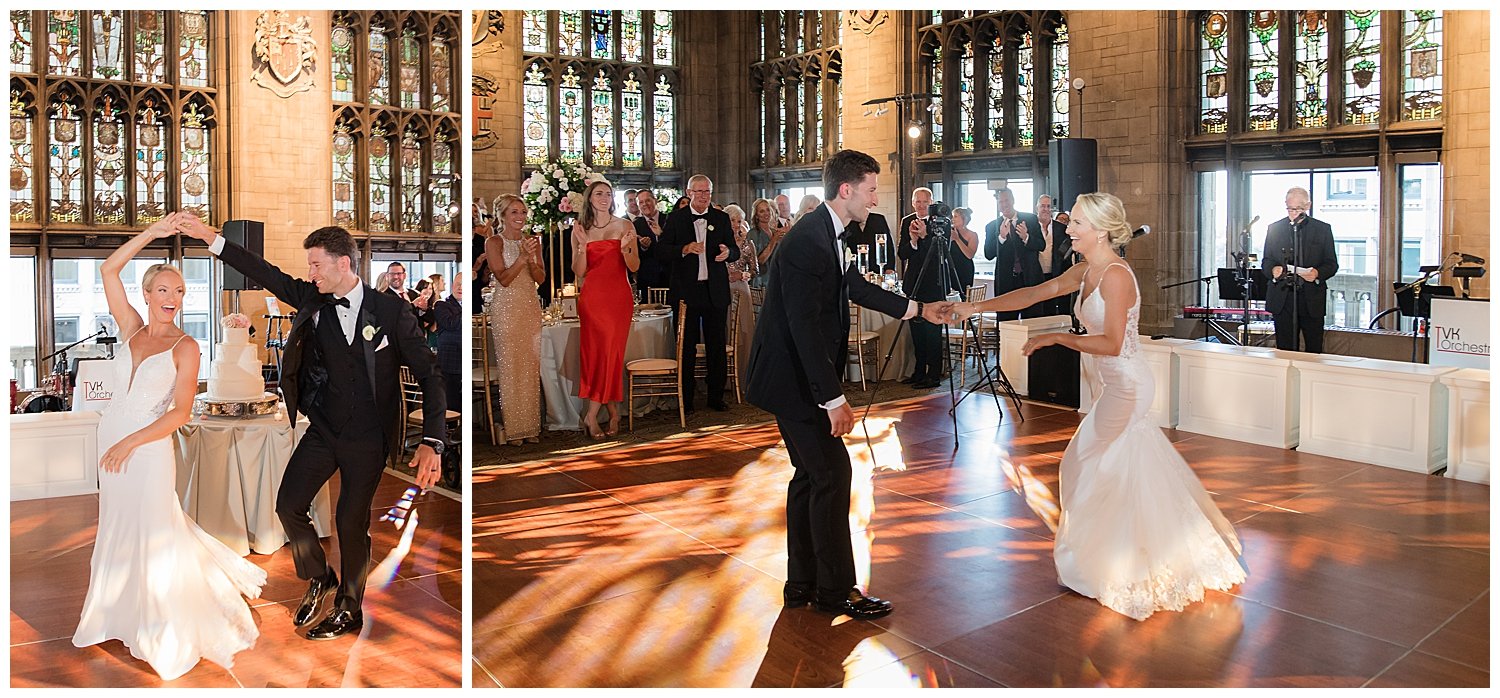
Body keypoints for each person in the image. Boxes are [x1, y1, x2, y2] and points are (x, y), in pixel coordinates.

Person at [952, 192, 1247, 620]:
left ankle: (1113, 562)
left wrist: (1056, 337)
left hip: (1126, 384)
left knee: (1084, 464)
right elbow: (1035, 291)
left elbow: (1111, 343)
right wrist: (972, 308)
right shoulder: (1086, 269)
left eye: (1076, 224)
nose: (1068, 228)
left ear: (1101, 230)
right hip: (1109, 386)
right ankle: (1121, 554)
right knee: (1109, 470)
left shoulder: (1115, 275)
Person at [179, 216, 447, 640]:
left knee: (350, 522)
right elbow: (263, 271)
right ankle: (321, 577)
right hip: (323, 429)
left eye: (317, 265)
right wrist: (211, 239)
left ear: (344, 264)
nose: (311, 273)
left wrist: (433, 440)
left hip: (368, 437)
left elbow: (430, 376)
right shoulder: (311, 299)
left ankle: (350, 608)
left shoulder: (392, 312)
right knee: (288, 505)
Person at [747, 149, 954, 621]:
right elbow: (802, 326)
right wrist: (834, 399)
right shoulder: (807, 241)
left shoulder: (831, 231)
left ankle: (802, 583)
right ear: (846, 190)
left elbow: (856, 288)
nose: (875, 198)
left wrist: (919, 309)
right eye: (871, 189)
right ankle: (835, 590)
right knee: (832, 475)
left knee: (810, 477)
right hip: (794, 380)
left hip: (797, 378)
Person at [73, 213, 266, 680]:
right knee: (118, 528)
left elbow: (180, 414)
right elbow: (108, 270)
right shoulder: (131, 329)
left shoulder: (186, 346)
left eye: (180, 292)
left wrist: (130, 443)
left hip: (148, 451)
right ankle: (115, 613)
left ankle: (161, 629)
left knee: (154, 534)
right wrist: (152, 234)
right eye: (164, 290)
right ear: (147, 294)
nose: (173, 300)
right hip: (111, 446)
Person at [658, 174, 738, 412]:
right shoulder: (676, 218)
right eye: (699, 192)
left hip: (714, 290)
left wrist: (728, 253)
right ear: (689, 192)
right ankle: (687, 398)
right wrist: (684, 249)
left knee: (717, 345)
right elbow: (661, 251)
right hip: (687, 292)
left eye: (707, 192)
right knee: (686, 346)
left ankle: (715, 396)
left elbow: (734, 249)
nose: (703, 196)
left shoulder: (721, 218)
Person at [573, 180, 639, 437]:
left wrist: (625, 250)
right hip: (591, 299)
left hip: (618, 298)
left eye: (608, 194)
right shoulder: (580, 229)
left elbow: (634, 267)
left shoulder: (624, 225)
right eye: (599, 193)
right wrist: (580, 246)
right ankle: (613, 413)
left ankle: (591, 415)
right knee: (597, 355)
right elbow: (579, 272)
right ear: (590, 198)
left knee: (611, 353)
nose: (604, 197)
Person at [486, 194, 546, 444]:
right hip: (506, 310)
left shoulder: (533, 241)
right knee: (511, 367)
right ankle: (514, 429)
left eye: (523, 212)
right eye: (514, 212)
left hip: (530, 306)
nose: (520, 217)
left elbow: (541, 279)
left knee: (530, 366)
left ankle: (531, 427)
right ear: (502, 216)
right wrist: (522, 258)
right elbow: (504, 279)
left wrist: (531, 259)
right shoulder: (494, 242)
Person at [1262, 186, 1338, 353]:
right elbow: (1266, 261)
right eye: (1290, 208)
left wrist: (1317, 273)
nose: (1293, 213)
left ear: (1308, 206)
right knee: (1285, 350)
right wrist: (1273, 269)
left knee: (1314, 349)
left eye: (1298, 209)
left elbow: (1331, 264)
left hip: (1311, 297)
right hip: (1283, 297)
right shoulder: (1275, 228)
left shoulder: (1322, 229)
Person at [897, 187, 945, 389]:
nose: (922, 205)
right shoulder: (907, 221)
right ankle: (918, 372)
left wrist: (925, 236)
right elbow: (902, 253)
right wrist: (914, 241)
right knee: (916, 332)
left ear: (931, 202)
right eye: (918, 201)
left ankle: (934, 374)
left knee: (932, 332)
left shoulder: (942, 221)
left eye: (926, 202)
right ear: (913, 202)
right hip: (913, 284)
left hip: (934, 284)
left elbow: (941, 254)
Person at [983, 187, 1044, 317]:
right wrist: (1001, 237)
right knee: (1006, 322)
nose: (1004, 204)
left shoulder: (1031, 219)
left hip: (1030, 279)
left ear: (1013, 200)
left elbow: (1041, 245)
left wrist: (1026, 237)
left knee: (1032, 320)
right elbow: (988, 254)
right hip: (1006, 281)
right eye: (1001, 202)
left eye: (1007, 200)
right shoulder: (992, 226)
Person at [724, 204, 759, 382]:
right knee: (726, 329)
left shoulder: (747, 244)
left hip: (742, 289)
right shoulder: (720, 243)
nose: (736, 225)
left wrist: (742, 275)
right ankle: (726, 377)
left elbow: (755, 270)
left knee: (744, 331)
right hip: (724, 289)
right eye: (732, 220)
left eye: (739, 221)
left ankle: (743, 375)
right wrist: (726, 275)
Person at [1036, 194, 1074, 316]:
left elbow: (1065, 255)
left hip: (1055, 275)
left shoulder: (1062, 229)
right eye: (1042, 206)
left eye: (1048, 206)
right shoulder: (1031, 227)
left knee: (1052, 313)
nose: (1045, 209)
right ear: (1037, 207)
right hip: (1036, 277)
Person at [435, 271, 465, 414]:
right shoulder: (442, 305)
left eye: (464, 285)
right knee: (452, 403)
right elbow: (451, 324)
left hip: (469, 360)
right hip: (451, 363)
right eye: (457, 284)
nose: (460, 287)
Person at [632, 190, 669, 297]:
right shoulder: (635, 225)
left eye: (648, 200)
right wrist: (643, 247)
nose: (645, 204)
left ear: (655, 200)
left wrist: (661, 235)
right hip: (647, 276)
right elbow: (633, 254)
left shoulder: (669, 219)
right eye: (641, 202)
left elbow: (677, 245)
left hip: (669, 274)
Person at [746, 198, 788, 288]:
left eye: (768, 210)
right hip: (761, 282)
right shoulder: (753, 234)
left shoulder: (775, 232)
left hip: (777, 279)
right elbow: (759, 261)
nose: (766, 213)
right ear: (756, 215)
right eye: (762, 211)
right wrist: (773, 240)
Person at [949, 207, 979, 292]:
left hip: (965, 269)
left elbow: (970, 255)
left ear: (964, 219)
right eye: (952, 216)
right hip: (951, 268)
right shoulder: (949, 232)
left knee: (963, 294)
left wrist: (957, 239)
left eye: (955, 216)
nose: (952, 219)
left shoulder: (972, 235)